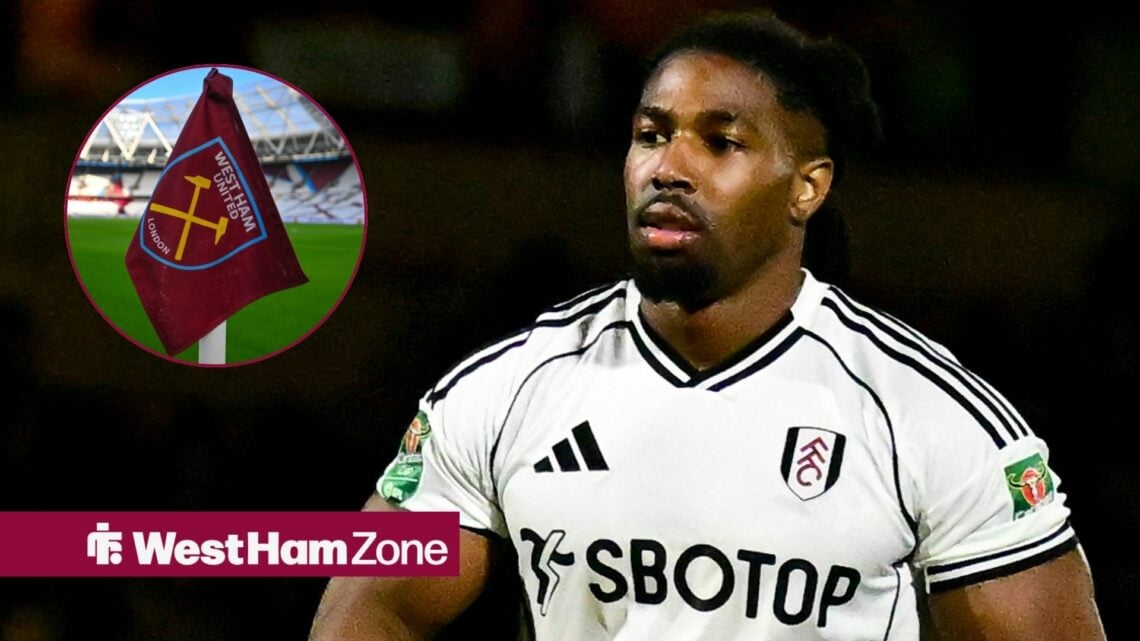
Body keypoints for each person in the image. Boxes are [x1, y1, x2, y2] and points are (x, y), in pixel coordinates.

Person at [310, 11, 1107, 640]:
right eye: (651, 135)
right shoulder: (508, 389)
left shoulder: (925, 414)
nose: (669, 167)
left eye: (720, 141)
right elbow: (376, 609)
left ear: (807, 187)